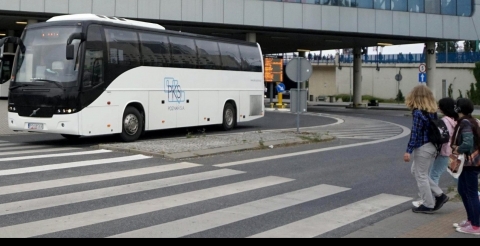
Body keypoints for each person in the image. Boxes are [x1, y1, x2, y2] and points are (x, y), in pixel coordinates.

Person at [404, 85, 450, 214]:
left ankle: (428, 204)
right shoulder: (432, 111)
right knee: (416, 171)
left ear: (414, 96)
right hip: (432, 146)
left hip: (423, 147)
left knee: (421, 175)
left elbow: (415, 133)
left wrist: (408, 150)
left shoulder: (418, 112)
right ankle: (440, 195)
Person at [412, 97, 459, 208]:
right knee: (456, 176)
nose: (437, 107)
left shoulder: (445, 121)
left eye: (439, 105)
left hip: (444, 152)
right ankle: (432, 198)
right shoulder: (455, 119)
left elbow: (442, 136)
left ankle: (431, 200)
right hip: (453, 152)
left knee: (433, 175)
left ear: (443, 108)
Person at [450, 98, 480, 235]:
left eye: (455, 106)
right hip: (469, 163)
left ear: (458, 109)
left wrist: (458, 149)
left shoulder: (466, 123)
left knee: (471, 193)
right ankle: (471, 220)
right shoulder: (470, 121)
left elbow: (467, 143)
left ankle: (476, 225)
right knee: (463, 190)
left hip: (470, 162)